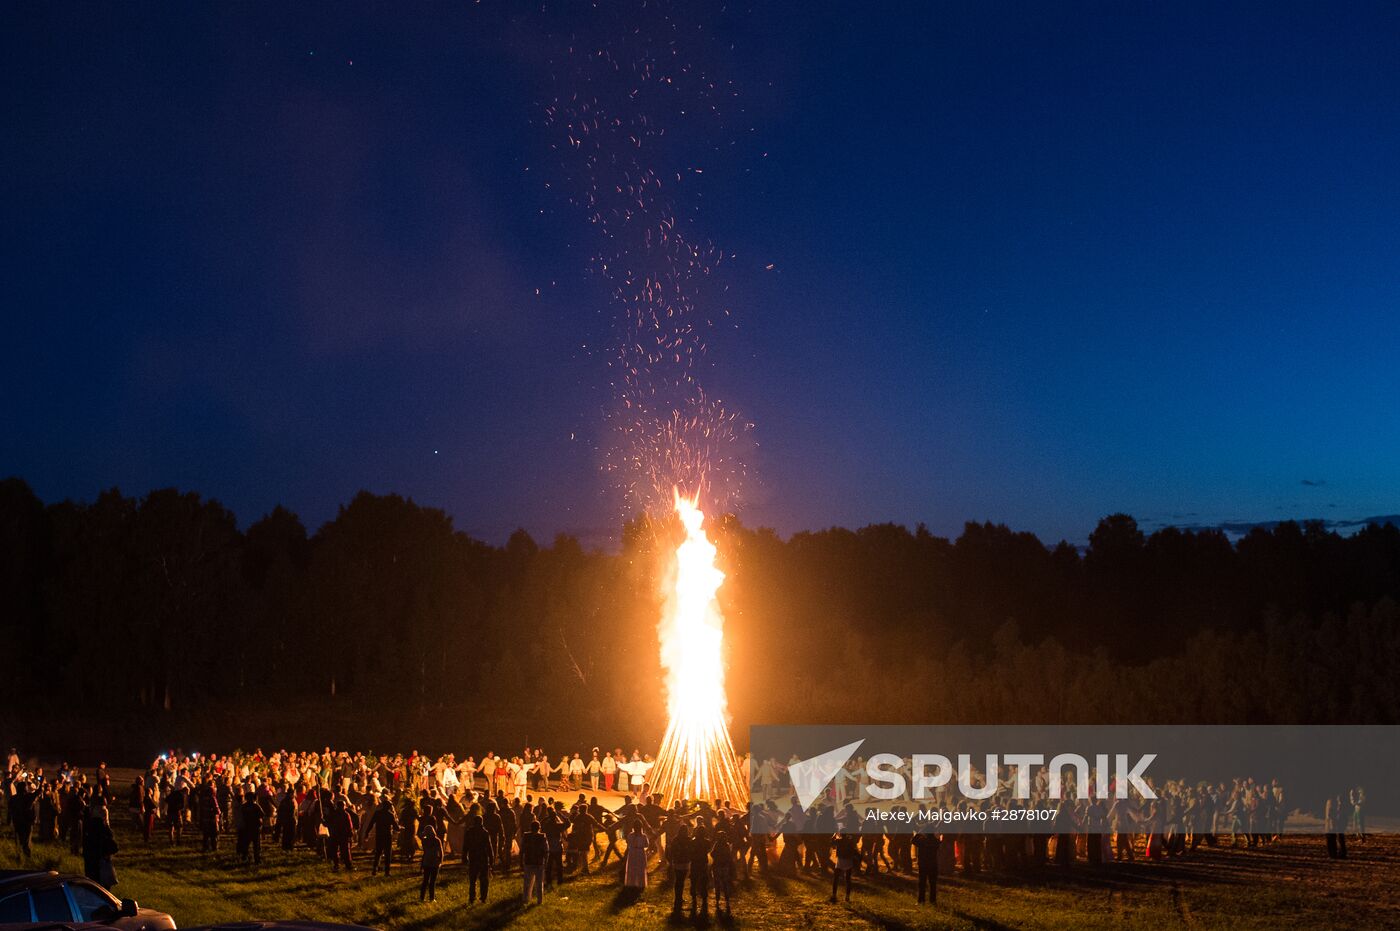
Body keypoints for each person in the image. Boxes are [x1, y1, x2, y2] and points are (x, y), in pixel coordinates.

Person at [82, 802, 119, 890]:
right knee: (104, 888)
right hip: (101, 861)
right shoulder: (103, 828)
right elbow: (113, 846)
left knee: (92, 885)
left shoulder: (88, 825)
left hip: (90, 861)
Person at [463, 814, 493, 904]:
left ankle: (472, 897)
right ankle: (483, 898)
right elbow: (489, 847)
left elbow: (465, 846)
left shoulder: (469, 832)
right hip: (483, 858)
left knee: (472, 880)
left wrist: (464, 856)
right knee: (484, 880)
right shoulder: (484, 832)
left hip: (473, 858)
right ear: (481, 822)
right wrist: (491, 859)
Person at [369, 794, 399, 876]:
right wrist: (400, 828)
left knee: (378, 853)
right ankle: (387, 871)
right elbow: (396, 827)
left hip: (379, 835)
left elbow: (371, 823)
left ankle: (375, 869)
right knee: (387, 854)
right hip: (387, 835)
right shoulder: (390, 815)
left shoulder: (377, 813)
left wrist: (367, 832)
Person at [912, 828, 942, 905]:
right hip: (933, 864)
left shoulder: (922, 841)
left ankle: (921, 900)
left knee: (922, 883)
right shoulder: (935, 841)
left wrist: (919, 832)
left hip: (923, 864)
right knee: (933, 883)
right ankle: (933, 900)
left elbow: (913, 841)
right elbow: (939, 844)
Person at [521, 819, 547, 904]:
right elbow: (546, 851)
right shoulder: (542, 837)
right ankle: (539, 900)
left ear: (530, 827)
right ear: (539, 828)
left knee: (527, 883)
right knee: (539, 883)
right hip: (539, 862)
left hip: (528, 862)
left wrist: (521, 861)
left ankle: (526, 899)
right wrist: (545, 862)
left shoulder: (526, 836)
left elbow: (522, 850)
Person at [667, 823, 692, 914]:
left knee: (678, 880)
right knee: (681, 880)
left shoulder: (675, 839)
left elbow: (672, 851)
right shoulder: (688, 839)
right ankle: (679, 897)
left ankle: (678, 897)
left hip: (677, 862)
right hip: (685, 862)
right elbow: (691, 850)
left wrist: (672, 860)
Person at [832, 831, 859, 903]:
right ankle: (847, 896)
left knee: (836, 879)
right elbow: (854, 850)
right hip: (848, 860)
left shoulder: (838, 841)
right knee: (848, 879)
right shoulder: (850, 841)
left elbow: (831, 843)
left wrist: (834, 835)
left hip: (840, 860)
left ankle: (834, 895)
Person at [623, 818, 650, 889]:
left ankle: (631, 883)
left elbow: (628, 842)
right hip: (640, 852)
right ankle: (641, 883)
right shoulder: (644, 836)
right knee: (640, 868)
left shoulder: (630, 835)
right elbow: (646, 845)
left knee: (632, 868)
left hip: (632, 852)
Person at [419, 823, 443, 902]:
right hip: (434, 862)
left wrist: (423, 834)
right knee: (432, 881)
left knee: (425, 881)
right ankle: (432, 898)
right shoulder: (437, 840)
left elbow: (425, 852)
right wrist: (440, 861)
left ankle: (422, 898)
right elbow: (441, 852)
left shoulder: (424, 841)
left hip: (427, 862)